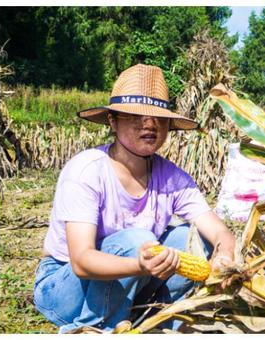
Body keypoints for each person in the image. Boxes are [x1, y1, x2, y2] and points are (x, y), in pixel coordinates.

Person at [33, 64, 237, 333]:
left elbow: (219, 230)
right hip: (63, 288)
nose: (149, 124)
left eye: (158, 118)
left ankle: (159, 320)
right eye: (135, 116)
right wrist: (139, 265)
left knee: (195, 239)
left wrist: (224, 255)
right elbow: (81, 261)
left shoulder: (171, 177)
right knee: (137, 240)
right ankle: (95, 329)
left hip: (131, 283)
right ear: (112, 121)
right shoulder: (87, 170)